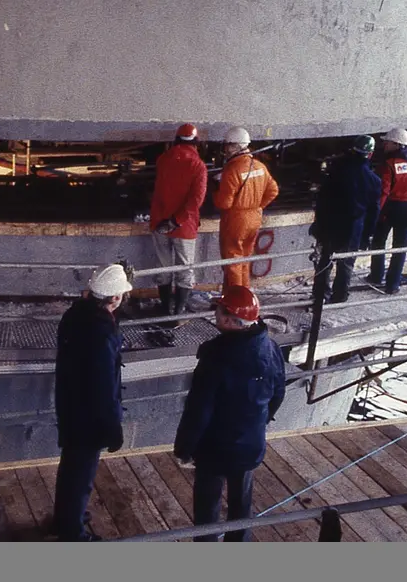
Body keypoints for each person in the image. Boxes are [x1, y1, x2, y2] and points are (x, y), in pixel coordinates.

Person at [173, 286, 286, 542]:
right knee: (241, 503)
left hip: (215, 449)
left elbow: (199, 410)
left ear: (227, 318)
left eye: (219, 310)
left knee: (207, 507)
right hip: (250, 444)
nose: (215, 314)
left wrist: (184, 447)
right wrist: (259, 422)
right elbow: (278, 393)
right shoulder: (271, 348)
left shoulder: (215, 356)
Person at [52, 263, 130, 542]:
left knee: (71, 466)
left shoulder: (75, 316)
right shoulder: (102, 332)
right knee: (81, 475)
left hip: (71, 405)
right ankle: (73, 532)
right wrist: (113, 428)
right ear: (115, 298)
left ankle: (65, 518)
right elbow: (104, 386)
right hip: (89, 416)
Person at [311, 135, 382, 304]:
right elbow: (374, 210)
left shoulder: (336, 171)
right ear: (370, 154)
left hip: (330, 224)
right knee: (346, 263)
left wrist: (318, 223)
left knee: (324, 261)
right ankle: (340, 296)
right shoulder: (374, 180)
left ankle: (320, 295)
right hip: (353, 228)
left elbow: (322, 199)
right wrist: (368, 234)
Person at [148, 123, 208, 318]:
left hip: (160, 222)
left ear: (176, 140)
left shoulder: (163, 159)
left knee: (163, 267)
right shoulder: (198, 165)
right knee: (184, 270)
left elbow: (158, 191)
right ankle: (179, 312)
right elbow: (196, 200)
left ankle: (165, 309)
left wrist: (162, 220)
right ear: (196, 142)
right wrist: (178, 220)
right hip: (184, 226)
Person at [212, 126, 278, 289]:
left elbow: (224, 203)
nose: (225, 149)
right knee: (244, 260)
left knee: (233, 262)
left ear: (236, 146)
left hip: (236, 220)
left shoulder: (232, 169)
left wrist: (215, 192)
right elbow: (273, 190)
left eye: (227, 145)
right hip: (254, 217)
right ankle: (242, 295)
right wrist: (257, 206)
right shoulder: (260, 166)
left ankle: (235, 301)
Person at [368, 127, 407, 294]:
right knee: (400, 246)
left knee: (379, 242)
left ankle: (376, 276)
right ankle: (392, 284)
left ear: (396, 144)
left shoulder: (389, 164)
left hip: (391, 206)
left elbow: (383, 191)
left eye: (387, 142)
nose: (384, 144)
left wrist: (376, 212)